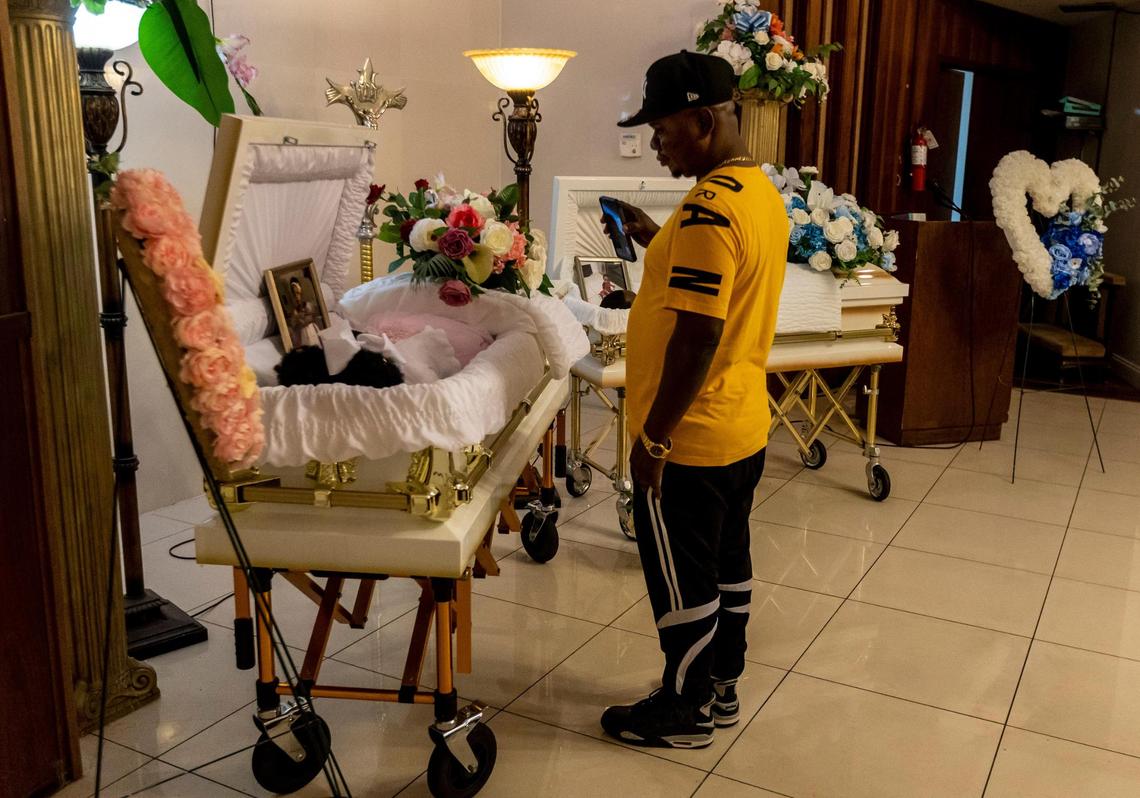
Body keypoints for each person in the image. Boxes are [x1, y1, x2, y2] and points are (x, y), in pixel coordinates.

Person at [599, 50, 788, 749]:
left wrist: (653, 440)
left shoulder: (709, 208)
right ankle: (721, 685)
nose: (654, 142)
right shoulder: (753, 192)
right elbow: (720, 281)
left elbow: (698, 338)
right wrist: (655, 239)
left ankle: (684, 710)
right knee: (728, 564)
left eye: (662, 128)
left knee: (684, 580)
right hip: (742, 426)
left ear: (702, 120)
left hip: (692, 437)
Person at [284, 276, 321, 348]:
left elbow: (311, 317)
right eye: (294, 294)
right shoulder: (295, 311)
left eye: (297, 293)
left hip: (310, 329)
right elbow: (293, 323)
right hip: (301, 333)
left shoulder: (308, 305)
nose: (297, 297)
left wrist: (301, 319)